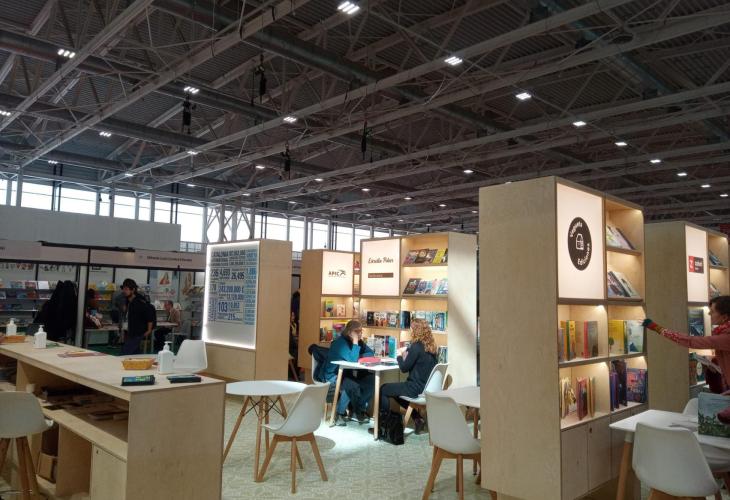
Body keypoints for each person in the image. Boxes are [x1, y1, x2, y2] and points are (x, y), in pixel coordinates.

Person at [644, 295, 730, 392]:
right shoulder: (723, 332)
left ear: (724, 317)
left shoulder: (726, 336)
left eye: (713, 311)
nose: (709, 313)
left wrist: (657, 328)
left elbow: (690, 341)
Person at [378, 319, 438, 434]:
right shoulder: (431, 347)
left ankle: (382, 426)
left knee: (384, 389)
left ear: (415, 331)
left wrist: (399, 356)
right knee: (395, 392)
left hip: (414, 388)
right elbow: (418, 356)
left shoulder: (416, 347)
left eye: (411, 329)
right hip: (426, 388)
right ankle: (417, 418)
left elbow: (404, 368)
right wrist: (407, 349)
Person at [323, 320, 375, 426]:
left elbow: (370, 353)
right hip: (333, 375)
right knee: (351, 385)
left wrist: (360, 355)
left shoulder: (359, 342)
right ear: (350, 332)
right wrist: (355, 342)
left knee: (371, 381)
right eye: (357, 331)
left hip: (347, 374)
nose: (360, 334)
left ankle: (357, 409)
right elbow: (353, 360)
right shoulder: (340, 343)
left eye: (361, 331)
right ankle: (339, 413)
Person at [120, 278, 154, 355]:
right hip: (130, 330)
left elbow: (150, 315)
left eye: (126, 289)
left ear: (133, 290)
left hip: (138, 332)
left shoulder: (140, 302)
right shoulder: (127, 300)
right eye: (123, 289)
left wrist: (149, 330)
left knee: (124, 353)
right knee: (135, 353)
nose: (124, 291)